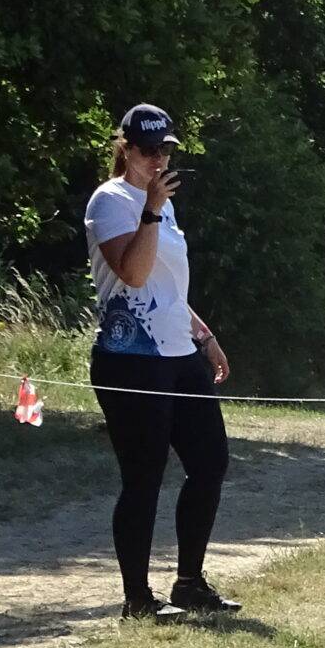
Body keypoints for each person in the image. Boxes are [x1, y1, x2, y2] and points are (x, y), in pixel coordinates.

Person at [84, 103, 239, 620]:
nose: (158, 159)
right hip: (131, 359)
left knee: (210, 463)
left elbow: (165, 286)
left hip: (179, 352)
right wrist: (150, 209)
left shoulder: (164, 205)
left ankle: (190, 583)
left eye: (165, 150)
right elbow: (132, 274)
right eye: (148, 150)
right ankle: (137, 598)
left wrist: (204, 335)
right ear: (126, 148)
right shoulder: (110, 201)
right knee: (144, 477)